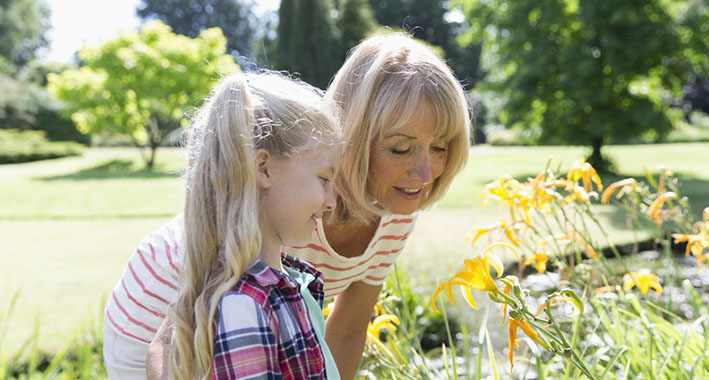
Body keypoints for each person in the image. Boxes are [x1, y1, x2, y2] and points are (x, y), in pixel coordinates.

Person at [105, 33, 471, 380]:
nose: (425, 173)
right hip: (156, 328)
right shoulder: (278, 207)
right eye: (401, 148)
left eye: (440, 147)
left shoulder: (395, 203)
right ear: (354, 137)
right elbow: (168, 341)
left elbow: (347, 330)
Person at [106, 71, 345, 379]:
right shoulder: (245, 307)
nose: (332, 201)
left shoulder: (287, 284)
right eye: (324, 179)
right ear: (263, 167)